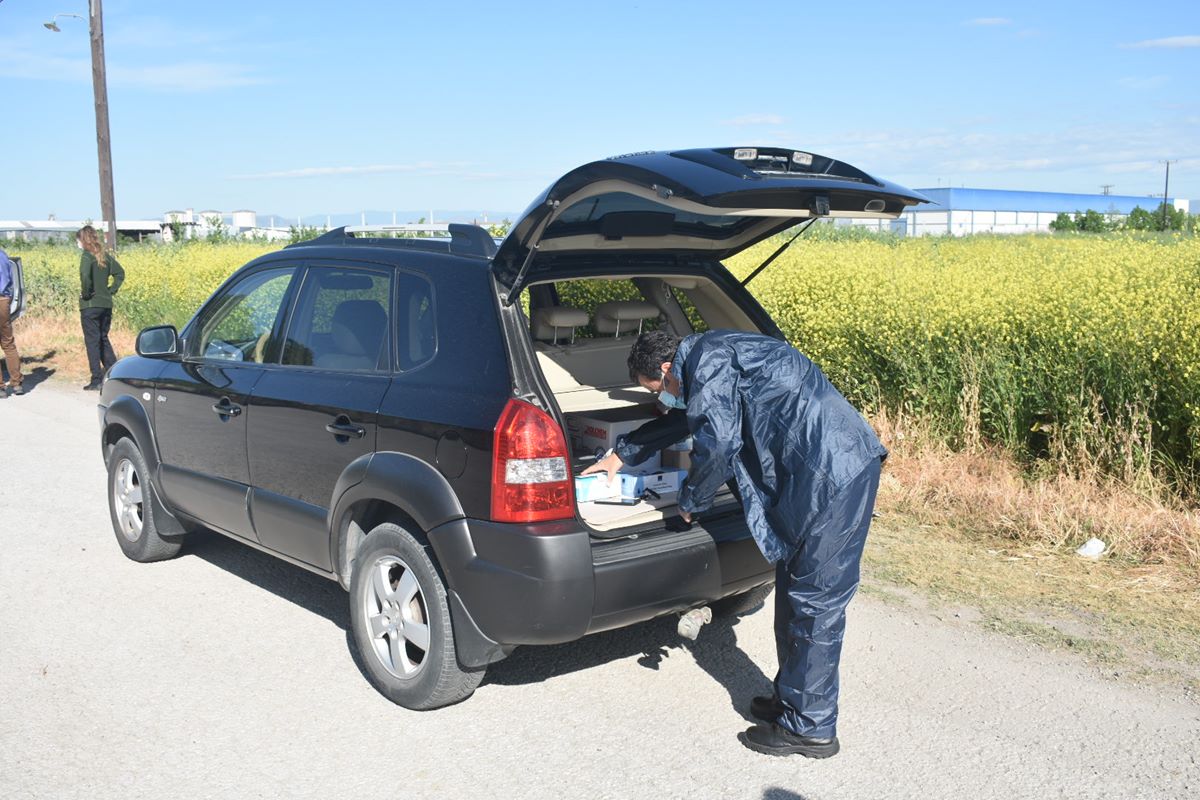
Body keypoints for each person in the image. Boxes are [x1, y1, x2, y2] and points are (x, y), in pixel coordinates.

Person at [583, 329, 886, 759]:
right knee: (795, 594)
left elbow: (719, 440)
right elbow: (692, 417)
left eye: (658, 390)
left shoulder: (707, 361)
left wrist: (692, 499)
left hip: (833, 476)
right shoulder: (712, 354)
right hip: (813, 472)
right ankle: (792, 701)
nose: (662, 400)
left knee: (815, 603)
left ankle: (811, 728)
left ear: (668, 370)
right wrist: (623, 452)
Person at [76, 225, 124, 390]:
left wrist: (87, 293)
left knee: (92, 342)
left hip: (90, 305)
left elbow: (85, 276)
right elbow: (120, 273)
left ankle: (96, 379)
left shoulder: (86, 256)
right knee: (103, 338)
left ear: (82, 240)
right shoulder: (104, 256)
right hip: (106, 305)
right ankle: (115, 376)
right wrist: (111, 290)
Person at [0, 246, 23, 397]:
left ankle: (1, 387)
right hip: (4, 301)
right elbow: (11, 281)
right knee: (8, 342)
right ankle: (16, 383)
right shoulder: (3, 256)